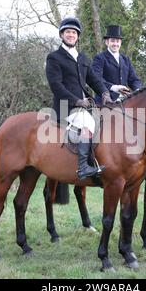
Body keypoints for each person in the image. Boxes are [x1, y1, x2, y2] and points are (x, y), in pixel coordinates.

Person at [45, 17, 113, 180]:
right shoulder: (54, 58)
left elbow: (94, 79)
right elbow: (56, 86)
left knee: (108, 122)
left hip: (85, 106)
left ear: (78, 36)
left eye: (74, 32)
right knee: (88, 123)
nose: (71, 35)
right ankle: (83, 167)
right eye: (68, 32)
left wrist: (104, 92)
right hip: (66, 106)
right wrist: (76, 101)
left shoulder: (82, 58)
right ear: (62, 35)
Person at [92, 25, 142, 104]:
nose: (115, 44)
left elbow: (134, 79)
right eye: (112, 41)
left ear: (120, 43)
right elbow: (96, 78)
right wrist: (113, 87)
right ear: (107, 42)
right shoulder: (99, 58)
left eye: (117, 41)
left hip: (124, 101)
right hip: (105, 102)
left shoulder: (125, 59)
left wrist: (138, 90)